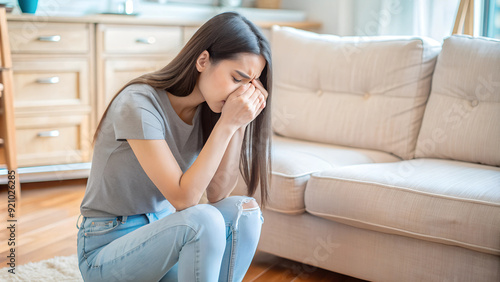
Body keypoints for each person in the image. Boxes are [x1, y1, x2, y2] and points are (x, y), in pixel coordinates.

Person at [76, 11, 273, 282]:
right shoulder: (138, 103)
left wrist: (238, 123)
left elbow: (216, 193)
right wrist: (228, 124)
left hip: (163, 238)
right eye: (237, 79)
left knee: (244, 211)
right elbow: (184, 199)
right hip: (107, 251)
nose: (241, 93)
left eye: (250, 85)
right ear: (203, 60)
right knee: (203, 219)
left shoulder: (210, 111)